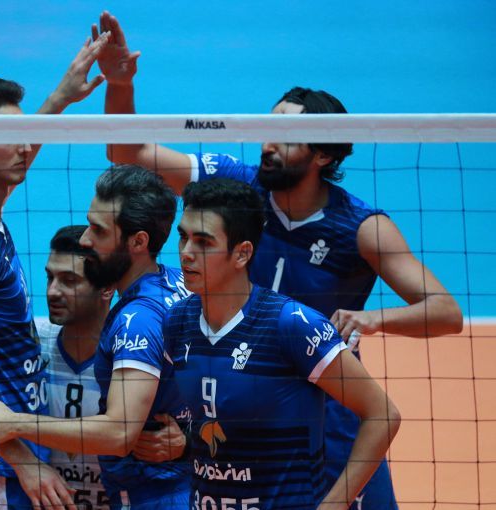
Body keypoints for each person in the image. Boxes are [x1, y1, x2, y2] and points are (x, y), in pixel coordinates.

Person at [92, 13, 463, 508]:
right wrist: (120, 84)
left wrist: (372, 320)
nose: (267, 143)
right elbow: (128, 152)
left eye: (284, 135)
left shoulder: (361, 228)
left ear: (323, 155)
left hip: (327, 408)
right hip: (247, 399)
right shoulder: (238, 189)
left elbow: (445, 312)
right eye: (268, 129)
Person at [0, 33, 111, 510]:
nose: (25, 146)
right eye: (10, 135)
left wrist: (61, 98)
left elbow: (20, 154)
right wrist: (24, 462)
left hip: (6, 465)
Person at [0, 165, 193, 510]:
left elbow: (119, 433)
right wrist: (191, 438)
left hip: (156, 497)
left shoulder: (137, 320)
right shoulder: (178, 286)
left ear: (138, 242)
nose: (85, 240)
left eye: (99, 230)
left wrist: (13, 424)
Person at [166, 178, 400, 509]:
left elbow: (382, 414)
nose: (186, 253)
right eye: (183, 237)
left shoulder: (291, 326)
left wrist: (334, 505)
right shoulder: (178, 322)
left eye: (203, 242)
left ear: (242, 253)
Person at [37, 225, 114, 508]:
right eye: (50, 278)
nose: (52, 292)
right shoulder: (31, 344)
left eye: (69, 281)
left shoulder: (132, 357)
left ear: (107, 288)